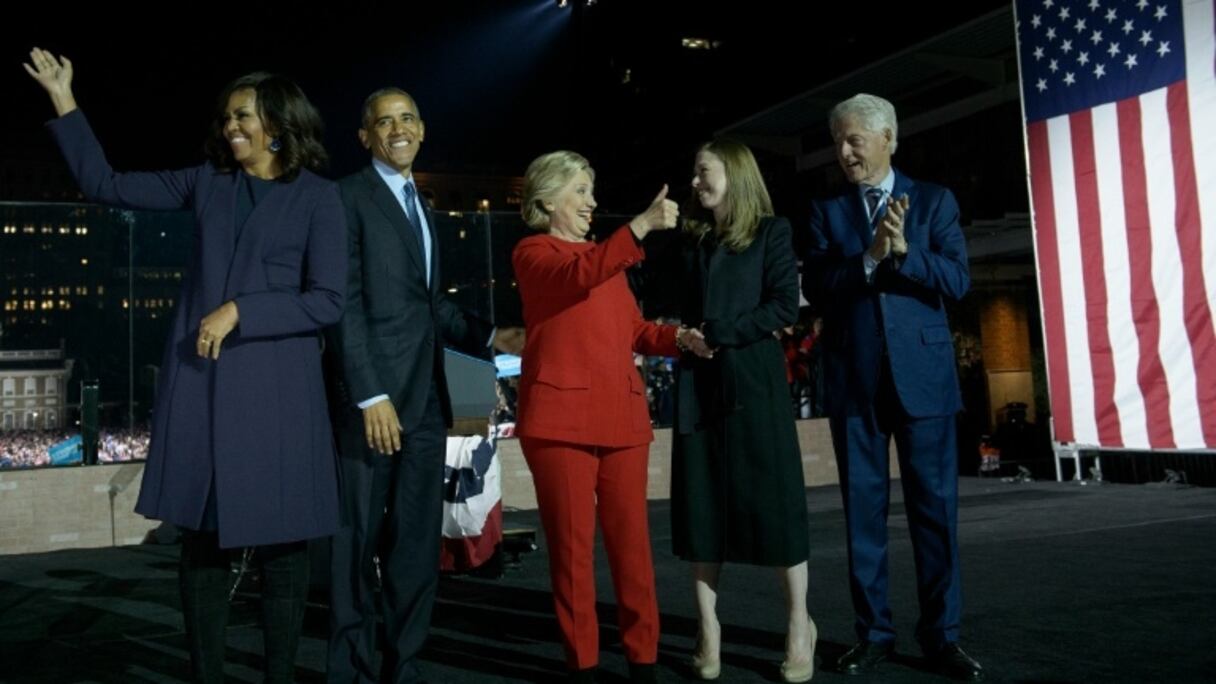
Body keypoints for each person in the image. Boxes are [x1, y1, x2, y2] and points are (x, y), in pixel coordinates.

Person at [25, 49, 346, 683]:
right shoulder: (206, 182)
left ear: (279, 124)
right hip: (203, 388)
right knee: (201, 542)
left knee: (283, 552)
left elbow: (328, 300)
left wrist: (240, 312)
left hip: (280, 394)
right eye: (227, 116)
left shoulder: (319, 199)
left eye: (244, 116)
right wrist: (64, 98)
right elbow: (105, 184)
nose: (231, 126)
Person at [323, 87, 523, 684]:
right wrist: (369, 394)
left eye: (407, 117)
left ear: (423, 128)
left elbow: (430, 307)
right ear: (365, 138)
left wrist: (494, 338)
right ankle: (350, 672)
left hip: (428, 404)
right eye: (383, 121)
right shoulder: (345, 199)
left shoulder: (423, 205)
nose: (398, 128)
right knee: (355, 546)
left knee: (413, 550)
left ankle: (402, 666)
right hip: (373, 408)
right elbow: (343, 308)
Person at [803, 93, 983, 681]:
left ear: (888, 139)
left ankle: (943, 637)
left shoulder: (934, 201)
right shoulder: (827, 211)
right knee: (863, 517)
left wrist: (905, 256)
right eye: (838, 141)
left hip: (925, 385)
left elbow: (957, 280)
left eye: (855, 139)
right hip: (855, 384)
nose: (845, 151)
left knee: (935, 515)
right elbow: (820, 285)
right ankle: (873, 634)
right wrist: (868, 257)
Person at [512, 150, 711, 683]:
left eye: (591, 191)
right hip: (560, 424)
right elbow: (579, 275)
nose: (591, 202)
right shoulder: (534, 253)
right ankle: (583, 663)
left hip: (620, 417)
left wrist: (677, 338)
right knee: (573, 554)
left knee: (633, 548)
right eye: (580, 191)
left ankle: (642, 659)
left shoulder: (607, 259)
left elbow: (633, 332)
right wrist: (642, 225)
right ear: (547, 199)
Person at [670, 139, 815, 683]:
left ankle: (799, 624)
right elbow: (676, 310)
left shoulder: (772, 232)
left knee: (776, 505)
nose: (695, 182)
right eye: (694, 173)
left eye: (703, 171)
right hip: (697, 387)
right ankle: (708, 628)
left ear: (732, 172)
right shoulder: (692, 241)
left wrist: (717, 334)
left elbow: (782, 305)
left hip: (754, 385)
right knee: (701, 508)